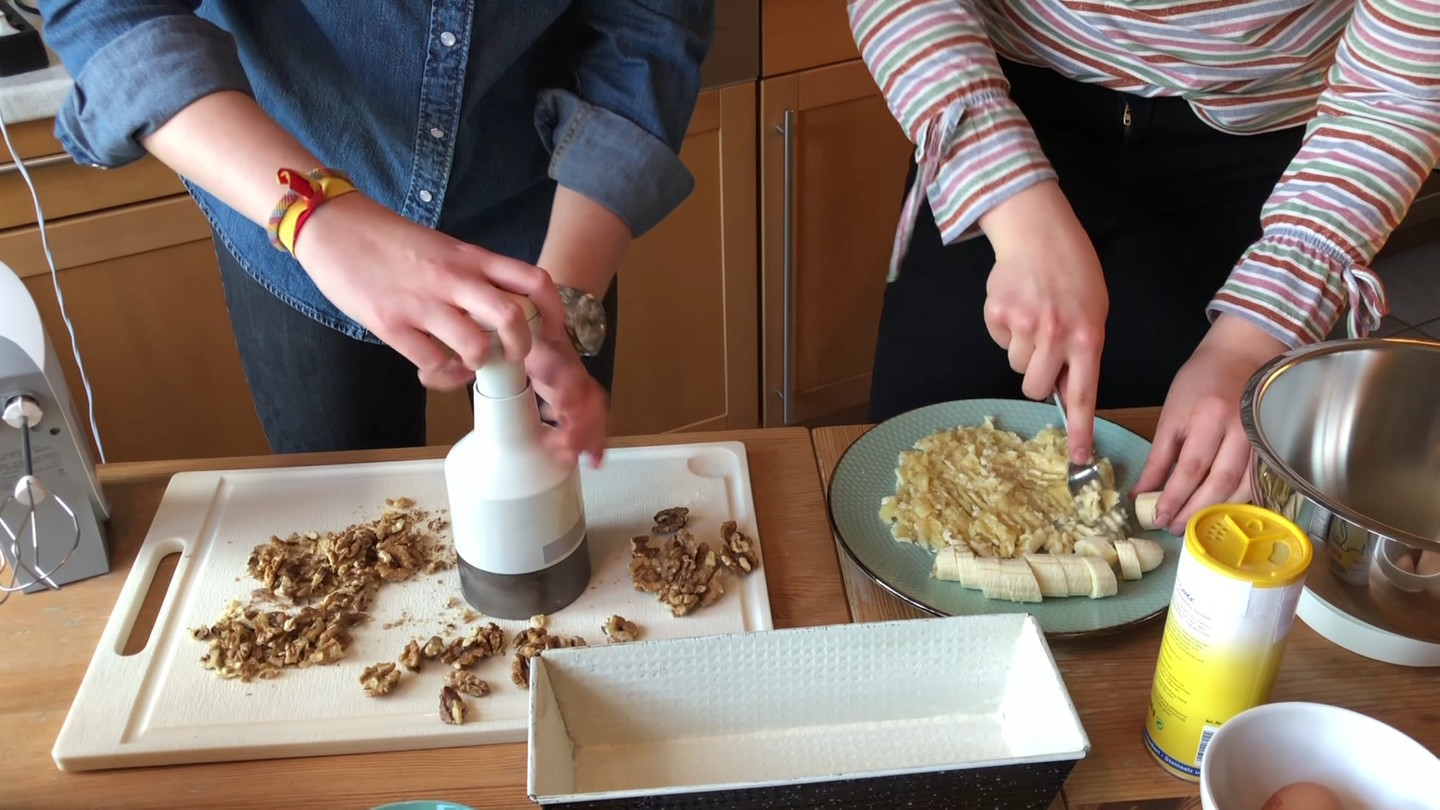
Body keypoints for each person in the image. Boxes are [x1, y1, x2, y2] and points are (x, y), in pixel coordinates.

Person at [38, 1, 716, 466]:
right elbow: (108, 14)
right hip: (289, 218)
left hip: (545, 224)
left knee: (559, 491)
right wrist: (315, 214)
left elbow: (649, 30)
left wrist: (563, 301)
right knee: (345, 529)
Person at [849, 0, 1439, 534]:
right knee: (898, 487)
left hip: (1264, 161)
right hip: (991, 102)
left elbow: (1395, 94)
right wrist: (1016, 209)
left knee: (1169, 498)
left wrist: (1249, 339)